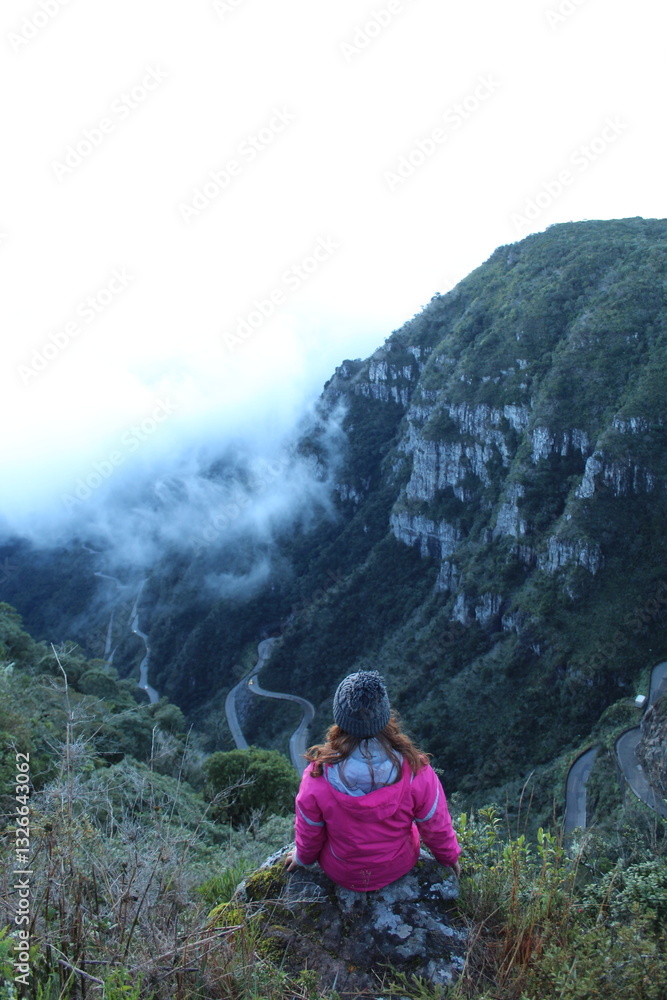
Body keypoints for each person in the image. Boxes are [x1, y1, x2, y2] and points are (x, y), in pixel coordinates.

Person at [284, 670, 461, 891]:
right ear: (385, 716)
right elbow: (435, 825)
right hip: (398, 865)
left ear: (340, 719)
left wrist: (302, 858)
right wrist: (449, 857)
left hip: (341, 870)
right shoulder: (416, 772)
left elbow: (310, 831)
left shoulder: (318, 778)